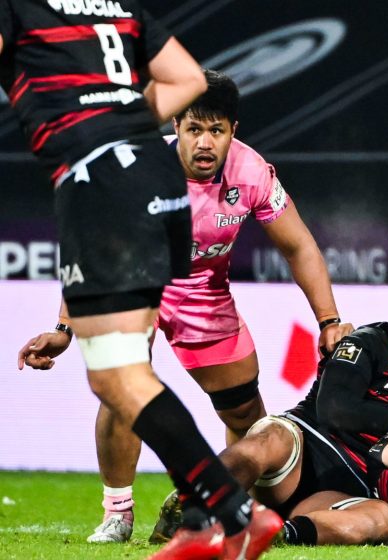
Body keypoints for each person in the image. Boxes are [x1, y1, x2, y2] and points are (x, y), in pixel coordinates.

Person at [16, 69, 349, 544]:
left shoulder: (252, 172)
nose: (205, 142)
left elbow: (300, 248)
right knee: (121, 383)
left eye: (217, 130)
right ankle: (117, 513)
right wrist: (64, 329)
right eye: (194, 129)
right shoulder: (137, 172)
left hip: (205, 293)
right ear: (176, 127)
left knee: (246, 415)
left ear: (234, 130)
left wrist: (328, 319)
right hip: (137, 284)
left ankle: (226, 504)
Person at [0, 3, 279, 559]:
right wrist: (121, 127)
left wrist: (92, 137)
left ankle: (234, 514)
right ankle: (225, 515)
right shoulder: (119, 6)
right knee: (120, 375)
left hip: (100, 180)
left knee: (120, 377)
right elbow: (189, 79)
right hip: (154, 174)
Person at [151, 276, 388, 547]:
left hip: (348, 490)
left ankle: (273, 535)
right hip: (304, 447)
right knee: (271, 438)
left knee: (382, 521)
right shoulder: (371, 341)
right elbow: (333, 407)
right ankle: (193, 503)